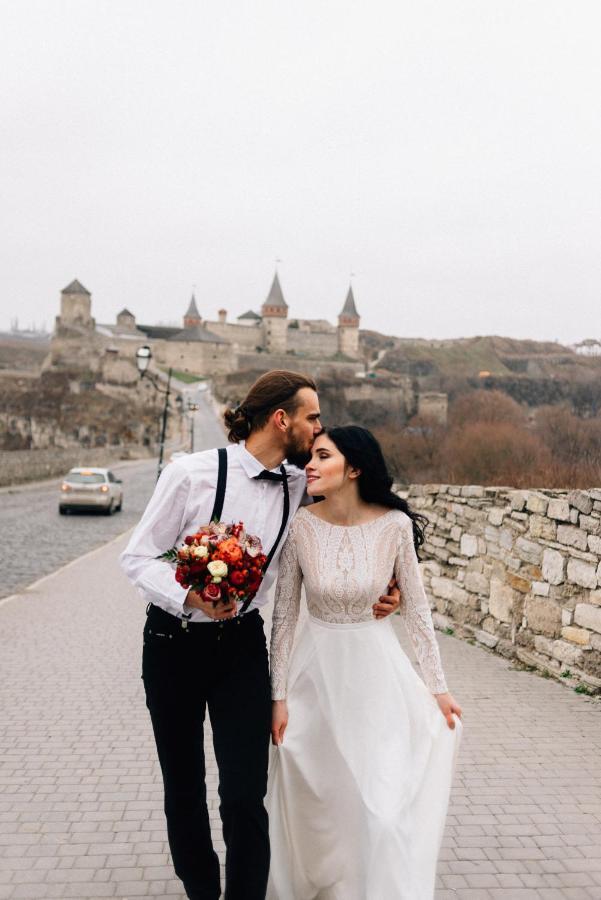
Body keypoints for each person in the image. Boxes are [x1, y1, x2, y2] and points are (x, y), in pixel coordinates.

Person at [120, 372, 401, 900]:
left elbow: (362, 517)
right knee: (183, 785)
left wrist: (392, 585)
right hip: (172, 644)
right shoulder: (189, 474)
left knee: (245, 792)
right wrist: (190, 595)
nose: (320, 427)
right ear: (282, 419)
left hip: (243, 648)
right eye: (313, 417)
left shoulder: (301, 484)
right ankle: (202, 890)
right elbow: (135, 557)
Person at [266, 425, 462, 900]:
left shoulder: (394, 526)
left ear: (353, 468)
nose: (309, 465)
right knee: (324, 797)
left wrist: (437, 687)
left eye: (322, 456)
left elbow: (417, 609)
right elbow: (285, 616)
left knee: (383, 806)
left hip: (377, 677)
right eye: (310, 455)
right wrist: (278, 697)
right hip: (315, 676)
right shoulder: (300, 526)